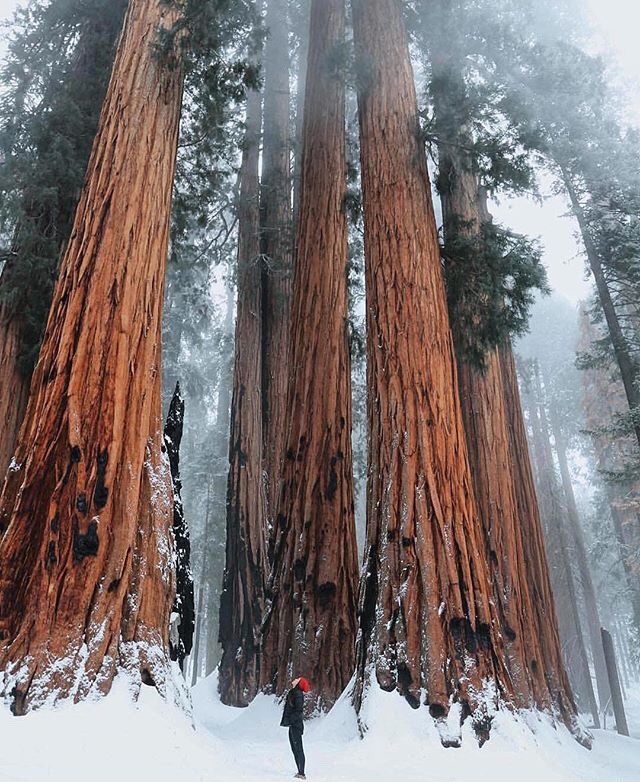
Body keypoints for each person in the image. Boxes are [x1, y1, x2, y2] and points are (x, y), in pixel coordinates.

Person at [280, 676, 310, 779]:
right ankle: (299, 771)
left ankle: (302, 773)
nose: (295, 679)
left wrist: (290, 720)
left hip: (295, 725)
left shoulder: (298, 694)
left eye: (297, 679)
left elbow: (298, 711)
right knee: (294, 748)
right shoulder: (294, 693)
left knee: (298, 748)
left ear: (299, 683)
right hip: (293, 725)